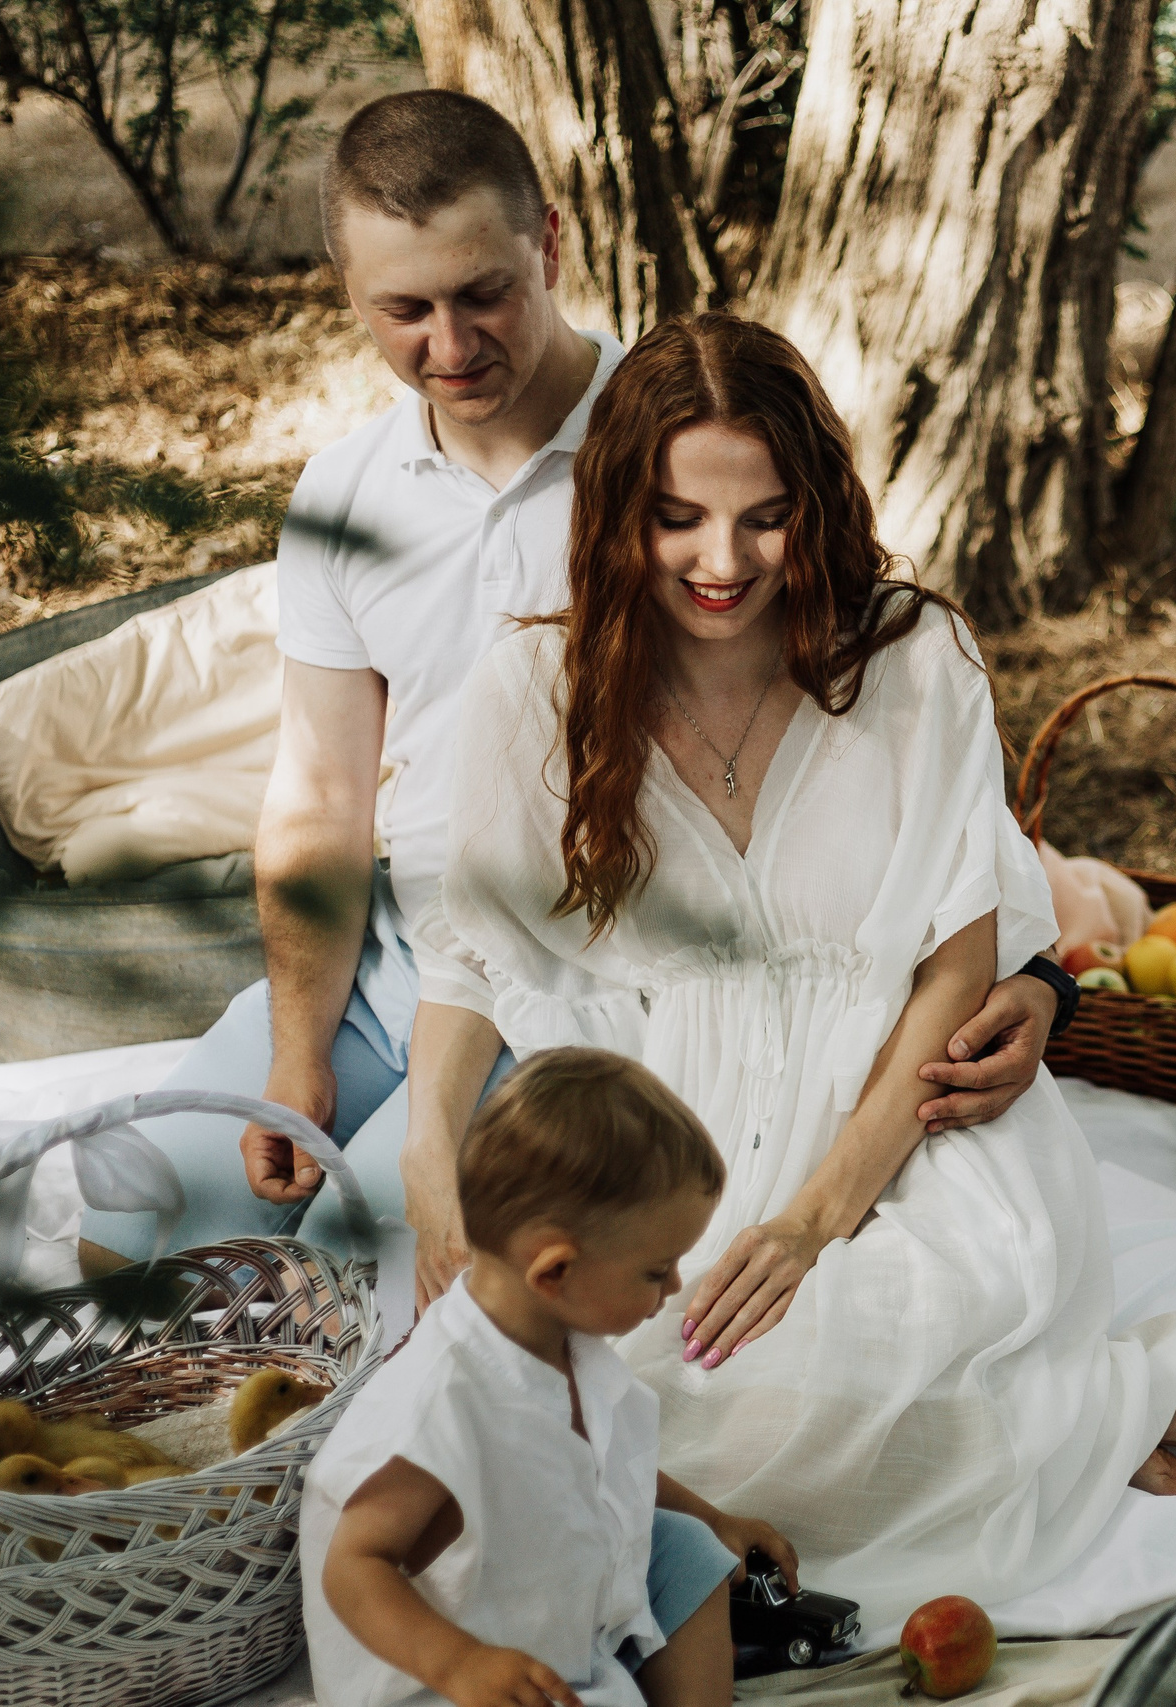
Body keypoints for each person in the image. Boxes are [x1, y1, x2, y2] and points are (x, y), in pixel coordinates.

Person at [407, 313, 1176, 1632]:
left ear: (817, 505)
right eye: (677, 518)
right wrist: (433, 1173)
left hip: (900, 1102)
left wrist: (815, 1220)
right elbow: (471, 955)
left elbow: (957, 953)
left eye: (766, 519)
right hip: (662, 1121)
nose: (722, 562)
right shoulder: (535, 684)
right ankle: (1085, 1416)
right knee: (624, 1411)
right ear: (614, 513)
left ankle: (1126, 1393)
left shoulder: (910, 656)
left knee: (889, 1333)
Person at [80, 91, 1066, 1275]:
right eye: (405, 309)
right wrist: (300, 1048)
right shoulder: (344, 495)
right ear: (350, 292)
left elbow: (873, 747)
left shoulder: (677, 443)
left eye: (482, 293)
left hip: (582, 973)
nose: (451, 348)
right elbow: (321, 798)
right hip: (405, 954)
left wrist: (1039, 976)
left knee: (381, 1268)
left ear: (548, 245)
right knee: (131, 1229)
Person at [305, 1047, 792, 1707]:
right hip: (445, 1672)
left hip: (544, 1597)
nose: (674, 1285)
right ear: (555, 1270)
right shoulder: (441, 1398)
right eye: (656, 1270)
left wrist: (712, 1516)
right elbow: (353, 1567)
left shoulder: (562, 1339)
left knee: (688, 1550)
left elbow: (595, 1459)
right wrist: (461, 1664)